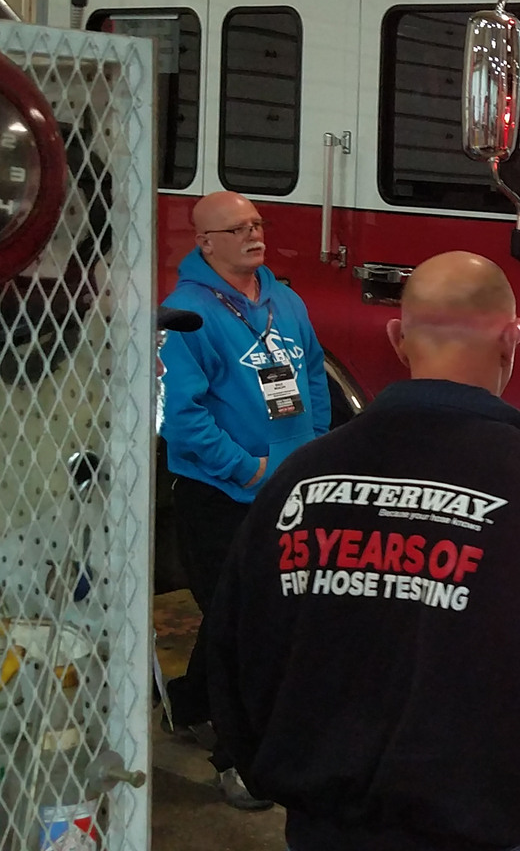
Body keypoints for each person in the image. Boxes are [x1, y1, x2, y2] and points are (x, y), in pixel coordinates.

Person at [207, 252, 520, 851]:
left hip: (322, 828)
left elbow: (235, 643)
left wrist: (286, 770)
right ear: (512, 340)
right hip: (482, 830)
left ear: (397, 338)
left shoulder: (302, 476)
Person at [158, 191, 330, 809]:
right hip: (224, 496)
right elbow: (181, 418)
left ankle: (189, 705)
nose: (254, 236)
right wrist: (249, 469)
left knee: (244, 615)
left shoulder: (284, 299)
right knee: (246, 625)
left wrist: (312, 449)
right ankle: (237, 762)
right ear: (206, 243)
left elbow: (311, 372)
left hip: (290, 485)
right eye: (237, 229)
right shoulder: (185, 316)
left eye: (257, 224)